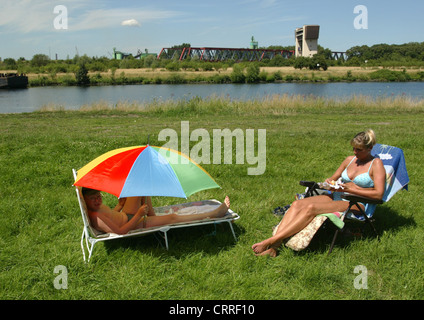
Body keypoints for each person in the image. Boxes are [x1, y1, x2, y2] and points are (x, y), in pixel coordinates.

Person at [252, 129, 386, 257]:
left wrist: (349, 189)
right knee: (297, 204)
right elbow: (332, 179)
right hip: (335, 196)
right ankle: (274, 248)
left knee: (311, 208)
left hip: (355, 202)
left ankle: (271, 242)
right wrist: (330, 183)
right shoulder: (349, 160)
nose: (355, 152)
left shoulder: (376, 164)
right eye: (353, 148)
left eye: (359, 149)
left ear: (369, 149)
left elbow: (379, 194)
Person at [82, 188, 231, 235]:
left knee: (139, 187)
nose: (98, 200)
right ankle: (214, 214)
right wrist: (139, 214)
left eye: (99, 197)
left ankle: (152, 215)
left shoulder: (97, 208)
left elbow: (112, 215)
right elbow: (121, 231)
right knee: (172, 217)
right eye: (93, 199)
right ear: (86, 200)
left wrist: (120, 205)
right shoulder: (96, 217)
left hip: (126, 214)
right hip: (134, 223)